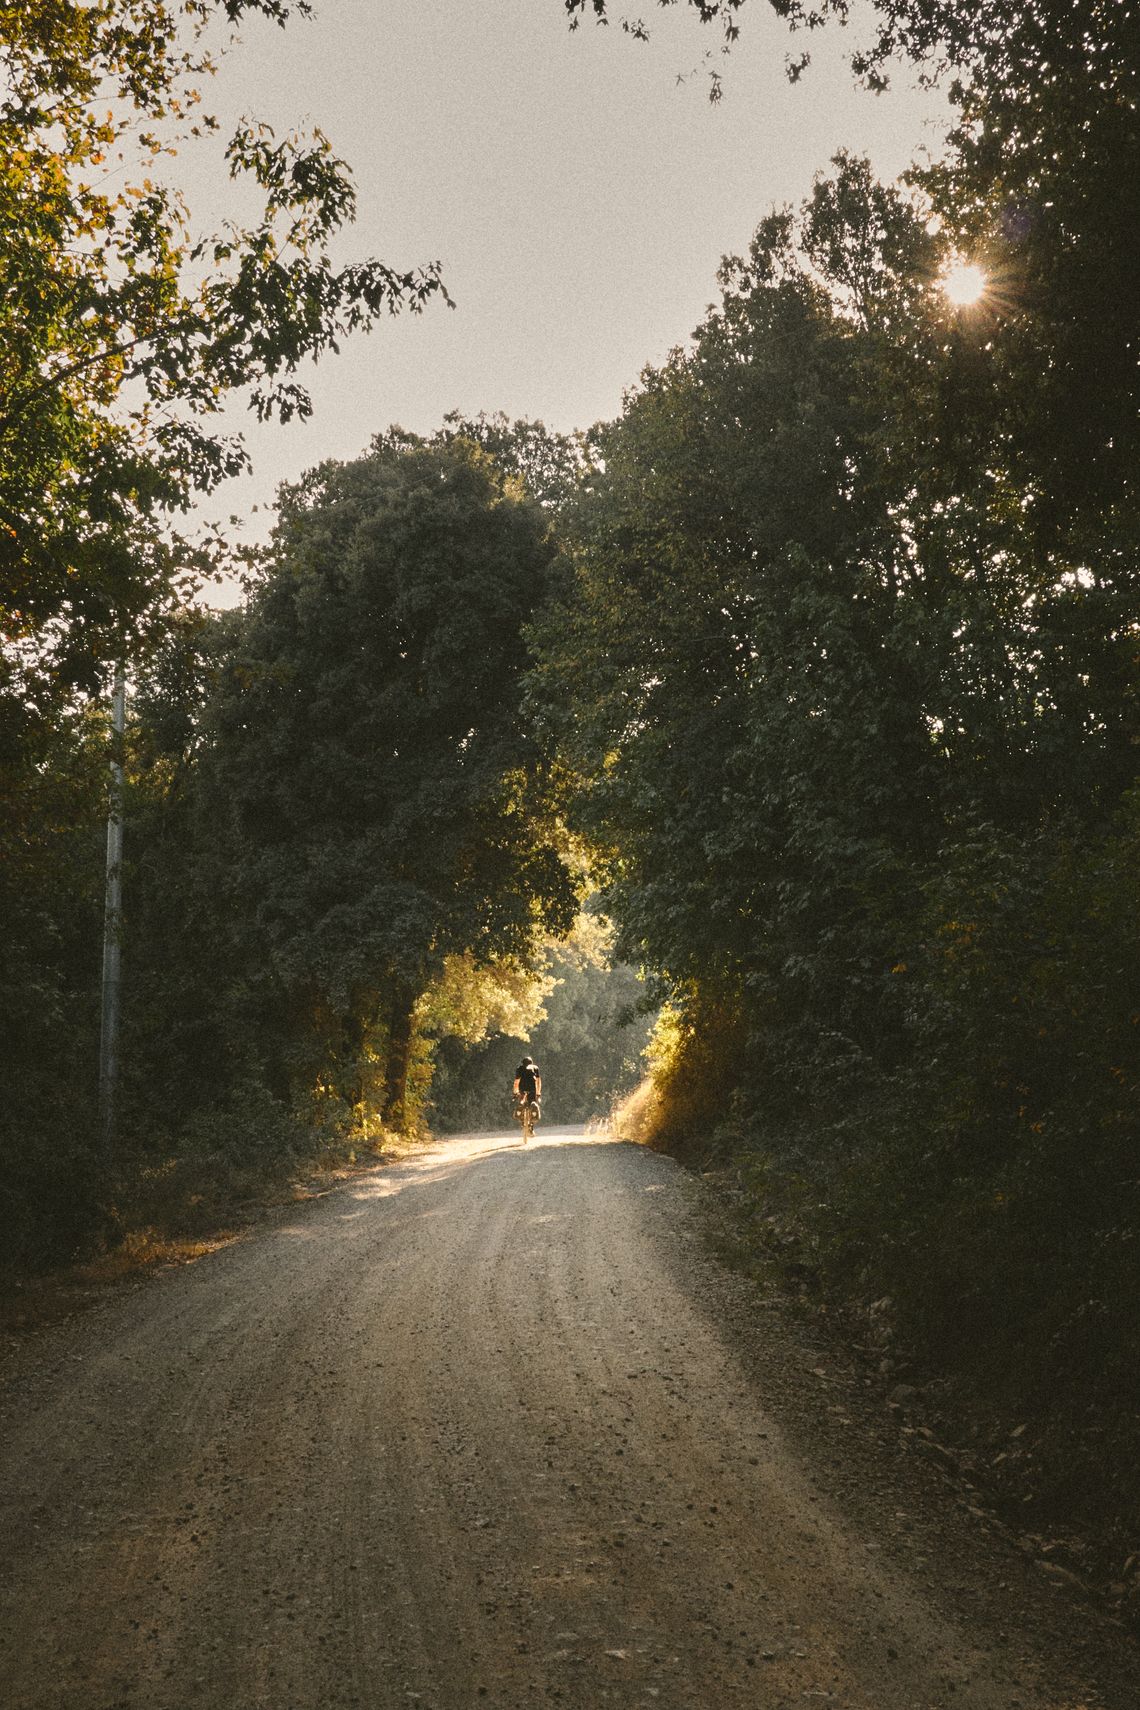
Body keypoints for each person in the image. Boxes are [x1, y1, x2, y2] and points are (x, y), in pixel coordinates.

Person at [513, 1056, 541, 1126]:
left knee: (522, 1099)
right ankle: (531, 1123)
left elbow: (516, 1082)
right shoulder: (535, 1068)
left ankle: (521, 1105)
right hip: (532, 1087)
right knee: (532, 1101)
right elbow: (538, 1081)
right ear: (531, 1063)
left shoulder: (519, 1068)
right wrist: (538, 1092)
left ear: (522, 1063)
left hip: (522, 1087)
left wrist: (515, 1092)